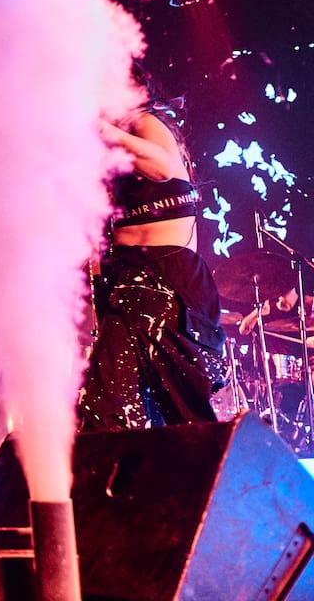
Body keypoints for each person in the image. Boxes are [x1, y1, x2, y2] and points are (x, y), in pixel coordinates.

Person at [76, 78, 229, 430]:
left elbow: (161, 167)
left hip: (165, 281)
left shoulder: (144, 121)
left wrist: (102, 129)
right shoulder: (109, 150)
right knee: (111, 401)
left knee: (179, 407)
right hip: (130, 281)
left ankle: (209, 462)